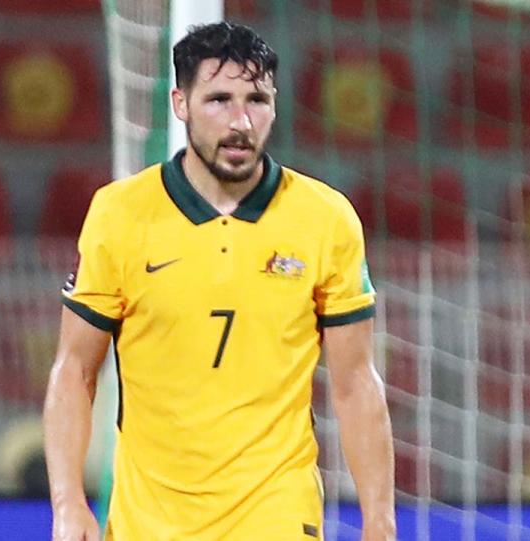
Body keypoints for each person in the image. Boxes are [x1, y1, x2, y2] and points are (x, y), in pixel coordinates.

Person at [43, 22, 395, 541]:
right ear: (179, 103)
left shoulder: (325, 219)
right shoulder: (120, 214)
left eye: (257, 99)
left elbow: (355, 382)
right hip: (149, 521)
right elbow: (74, 370)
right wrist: (69, 503)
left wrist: (380, 522)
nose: (241, 121)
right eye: (219, 100)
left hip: (276, 512)